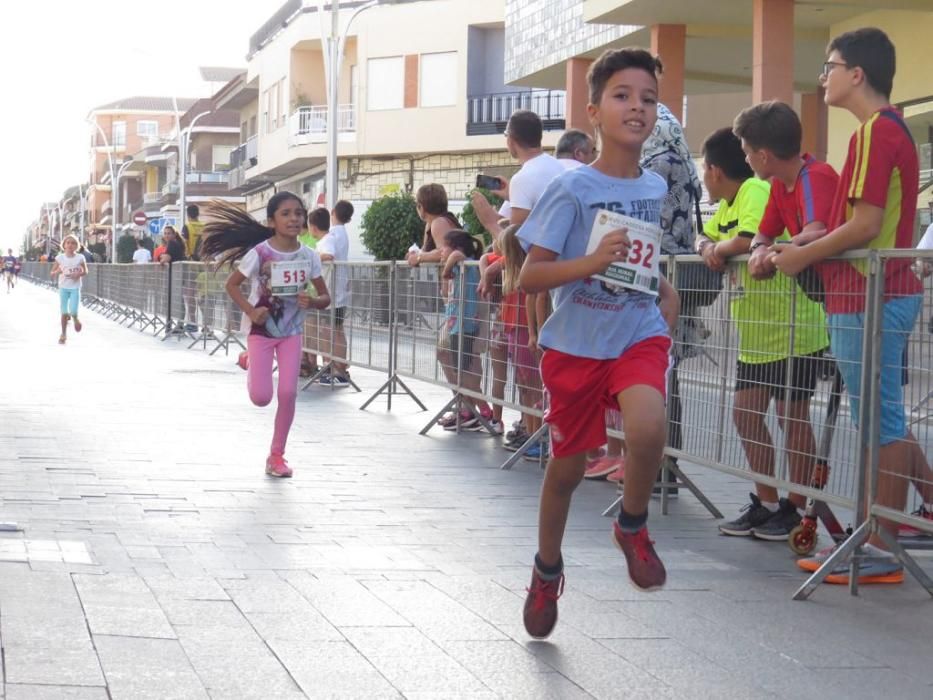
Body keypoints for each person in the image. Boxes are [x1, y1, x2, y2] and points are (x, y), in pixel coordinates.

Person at [517, 48, 680, 638]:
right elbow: (530, 276)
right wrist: (589, 261)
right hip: (577, 346)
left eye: (648, 97)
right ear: (594, 111)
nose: (637, 106)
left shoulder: (656, 186)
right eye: (622, 95)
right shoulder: (572, 189)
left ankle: (632, 525)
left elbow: (635, 255)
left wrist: (660, 283)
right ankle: (546, 569)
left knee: (647, 428)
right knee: (565, 471)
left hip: (637, 330)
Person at [772, 28, 933, 583]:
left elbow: (865, 226)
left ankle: (879, 545)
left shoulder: (874, 133)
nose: (824, 77)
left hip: (869, 294)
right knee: (880, 417)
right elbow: (857, 222)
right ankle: (879, 535)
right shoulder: (882, 132)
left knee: (880, 420)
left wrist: (801, 255)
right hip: (873, 293)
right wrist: (804, 244)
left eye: (829, 65)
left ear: (856, 73)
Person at [697, 126, 829, 541]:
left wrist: (718, 249)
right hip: (757, 335)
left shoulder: (755, 189)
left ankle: (797, 505)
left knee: (793, 417)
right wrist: (708, 245)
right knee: (745, 413)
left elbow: (748, 239)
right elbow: (708, 236)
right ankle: (768, 502)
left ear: (715, 170)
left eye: (703, 168)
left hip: (793, 328)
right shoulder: (727, 203)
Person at [200, 193, 331, 478]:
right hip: (261, 330)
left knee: (288, 393)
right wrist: (250, 309)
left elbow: (325, 296)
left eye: (298, 213)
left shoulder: (309, 257)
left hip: (291, 333)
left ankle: (277, 455)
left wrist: (313, 300)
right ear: (272, 221)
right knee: (261, 397)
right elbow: (232, 285)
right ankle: (249, 361)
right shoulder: (260, 253)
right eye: (286, 214)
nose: (294, 218)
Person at [470, 110, 568, 239]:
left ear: (510, 140)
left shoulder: (522, 179)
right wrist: (512, 196)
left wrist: (490, 222)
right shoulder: (560, 167)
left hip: (544, 258)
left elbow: (516, 247)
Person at [435, 229, 495, 430]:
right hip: (456, 325)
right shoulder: (459, 268)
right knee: (460, 367)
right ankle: (469, 408)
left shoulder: (465, 263)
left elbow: (457, 255)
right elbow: (446, 293)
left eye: (445, 246)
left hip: (465, 324)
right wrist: (446, 273)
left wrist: (447, 267)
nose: (441, 251)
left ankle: (482, 408)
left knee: (465, 369)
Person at [316, 200, 353, 386]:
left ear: (333, 213)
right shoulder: (342, 234)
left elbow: (329, 255)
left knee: (333, 330)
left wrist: (316, 257)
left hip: (334, 289)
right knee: (336, 329)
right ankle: (338, 367)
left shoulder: (333, 235)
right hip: (338, 289)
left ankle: (338, 369)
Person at [406, 184, 460, 267]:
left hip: (455, 278)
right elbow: (425, 252)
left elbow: (444, 252)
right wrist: (415, 255)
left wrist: (418, 257)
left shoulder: (438, 223)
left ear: (421, 207)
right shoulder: (432, 224)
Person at [49, 235, 88, 344]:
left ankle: (75, 318)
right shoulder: (60, 258)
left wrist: (79, 274)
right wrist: (56, 272)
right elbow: (51, 273)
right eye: (68, 243)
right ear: (64, 245)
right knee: (64, 312)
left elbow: (86, 271)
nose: (70, 245)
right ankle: (63, 334)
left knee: (74, 311)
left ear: (76, 246)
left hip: (75, 287)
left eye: (73, 243)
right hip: (63, 288)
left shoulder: (80, 257)